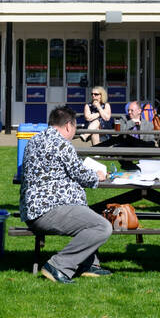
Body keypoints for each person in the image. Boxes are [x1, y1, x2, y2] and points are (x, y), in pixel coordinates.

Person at [19, 105, 111, 283]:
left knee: (89, 217)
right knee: (102, 226)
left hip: (32, 210)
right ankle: (58, 265)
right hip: (48, 211)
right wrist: (97, 176)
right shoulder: (62, 144)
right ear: (69, 125)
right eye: (75, 128)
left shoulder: (34, 140)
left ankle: (90, 264)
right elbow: (81, 175)